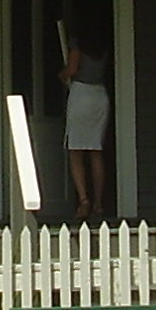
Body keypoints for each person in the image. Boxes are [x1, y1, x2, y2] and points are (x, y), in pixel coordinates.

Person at [60, 31, 111, 221]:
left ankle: (84, 200)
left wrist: (62, 74)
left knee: (76, 150)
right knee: (95, 150)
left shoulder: (78, 41)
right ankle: (98, 203)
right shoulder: (103, 43)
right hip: (99, 95)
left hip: (81, 94)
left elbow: (72, 69)